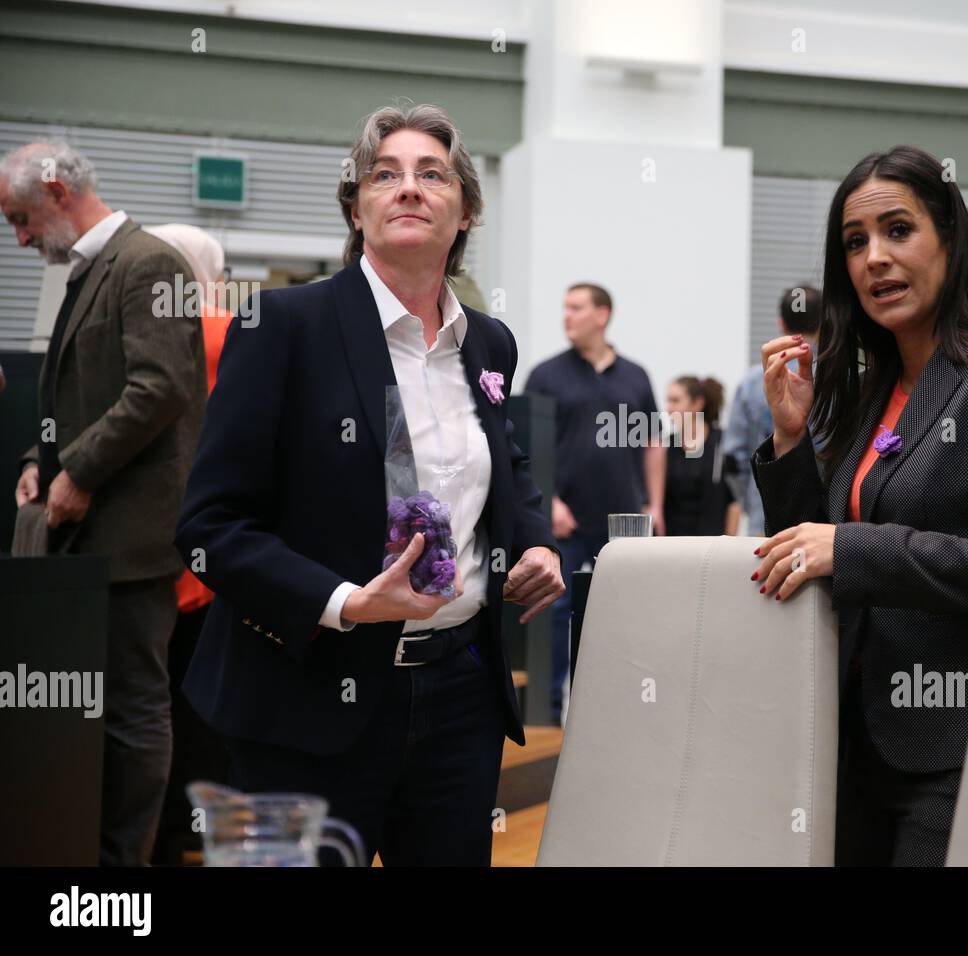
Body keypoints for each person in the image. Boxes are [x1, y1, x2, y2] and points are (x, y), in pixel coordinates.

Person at [175, 102, 563, 866]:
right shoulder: (282, 326)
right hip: (310, 695)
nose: (408, 188)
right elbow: (210, 529)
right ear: (358, 209)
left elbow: (501, 461)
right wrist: (346, 603)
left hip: (461, 697)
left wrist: (537, 542)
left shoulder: (488, 342)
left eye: (431, 174)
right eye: (384, 175)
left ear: (466, 214)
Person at [749, 145, 968, 866]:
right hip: (847, 739)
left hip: (959, 743)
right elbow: (808, 555)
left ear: (950, 238)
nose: (874, 257)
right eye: (854, 242)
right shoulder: (870, 392)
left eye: (898, 230)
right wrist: (789, 438)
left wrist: (854, 549)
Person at [1, 140, 207, 866]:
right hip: (86, 543)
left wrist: (79, 473)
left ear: (56, 190)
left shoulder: (147, 262)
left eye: (21, 219)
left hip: (130, 542)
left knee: (130, 716)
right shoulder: (89, 268)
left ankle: (124, 871)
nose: (20, 238)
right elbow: (79, 399)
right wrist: (39, 462)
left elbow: (159, 389)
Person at [525, 283, 664, 722]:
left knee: (622, 615)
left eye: (576, 308)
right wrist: (549, 502)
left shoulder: (636, 376)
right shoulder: (546, 374)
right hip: (564, 522)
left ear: (602, 315)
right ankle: (547, 718)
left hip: (622, 523)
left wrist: (654, 505)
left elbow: (653, 443)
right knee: (554, 613)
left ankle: (615, 715)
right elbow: (526, 444)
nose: (566, 316)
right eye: (565, 307)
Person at [141, 223, 234, 865]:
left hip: (146, 544)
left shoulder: (149, 331)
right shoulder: (230, 330)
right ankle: (197, 824)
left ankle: (160, 834)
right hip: (219, 544)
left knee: (150, 699)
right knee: (203, 698)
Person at [724, 287, 822, 535]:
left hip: (766, 519)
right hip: (828, 527)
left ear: (780, 323)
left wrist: (754, 501)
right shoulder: (845, 378)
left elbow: (733, 457)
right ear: (824, 322)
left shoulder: (751, 382)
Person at [663, 375, 739, 536]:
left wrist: (730, 546)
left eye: (675, 401)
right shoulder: (665, 448)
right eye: (668, 401)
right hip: (672, 547)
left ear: (697, 403)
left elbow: (735, 502)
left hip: (713, 549)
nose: (669, 408)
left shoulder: (724, 445)